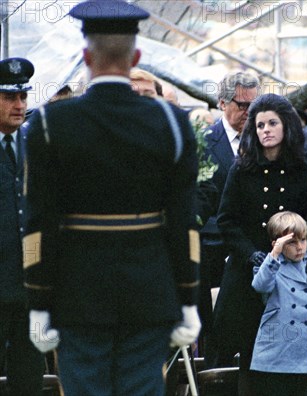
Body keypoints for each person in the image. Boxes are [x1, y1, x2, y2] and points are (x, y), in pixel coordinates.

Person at [23, 1, 201, 395]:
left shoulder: (51, 124)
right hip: (149, 295)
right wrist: (188, 296)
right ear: (136, 55)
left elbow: (38, 224)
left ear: (85, 56)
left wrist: (37, 300)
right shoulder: (172, 123)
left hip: (77, 295)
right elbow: (184, 220)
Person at [210, 93, 307, 394]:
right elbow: (227, 221)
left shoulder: (305, 171)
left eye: (272, 123)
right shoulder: (242, 169)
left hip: (291, 275)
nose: (265, 130)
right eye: (260, 124)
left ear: (286, 126)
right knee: (249, 353)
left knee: (293, 359)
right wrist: (251, 255)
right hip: (247, 272)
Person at [201, 70, 259, 359]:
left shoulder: (265, 141)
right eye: (241, 105)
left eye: (254, 105)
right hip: (214, 252)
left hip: (253, 253)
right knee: (216, 336)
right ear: (222, 104)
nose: (249, 112)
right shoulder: (203, 143)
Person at [250, 211, 307, 396]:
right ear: (277, 244)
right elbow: (260, 285)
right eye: (292, 242)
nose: (300, 247)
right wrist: (274, 254)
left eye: (303, 240)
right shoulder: (269, 264)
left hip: (306, 350)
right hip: (276, 350)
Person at [0, 57, 45, 396]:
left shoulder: (36, 147)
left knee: (28, 379)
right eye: (9, 97)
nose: (19, 105)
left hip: (29, 285)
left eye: (23, 97)